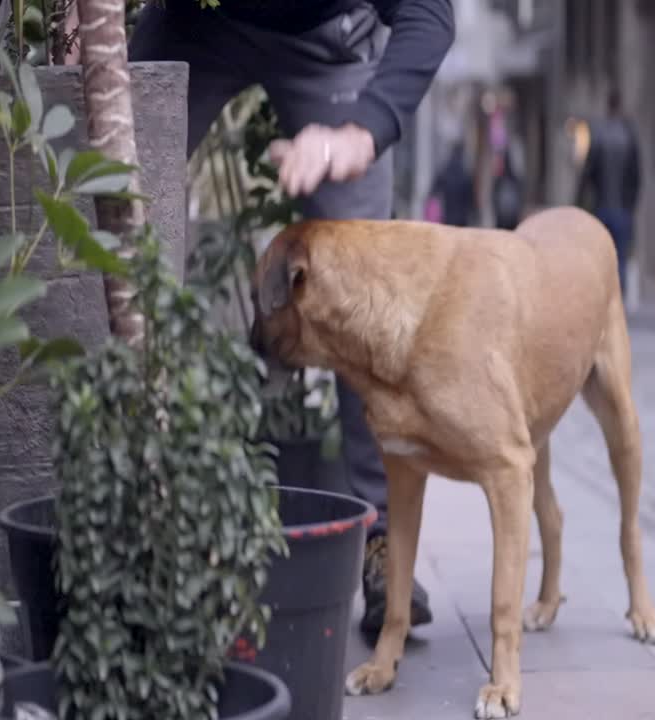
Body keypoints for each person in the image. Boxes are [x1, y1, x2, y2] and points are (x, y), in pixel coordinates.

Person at [130, 0, 454, 634]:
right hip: (194, 23)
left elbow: (430, 13)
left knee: (362, 288)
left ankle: (383, 544)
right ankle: (110, 501)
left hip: (328, 39)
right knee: (109, 195)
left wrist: (359, 133)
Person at [577, 89, 642, 296]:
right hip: (622, 208)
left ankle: (604, 296)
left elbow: (588, 173)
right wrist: (631, 204)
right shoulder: (628, 135)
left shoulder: (599, 135)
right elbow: (636, 175)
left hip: (602, 206)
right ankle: (618, 297)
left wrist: (580, 202)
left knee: (602, 257)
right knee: (620, 257)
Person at [427, 140, 476, 227]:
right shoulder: (465, 174)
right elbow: (471, 199)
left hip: (447, 216)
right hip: (462, 219)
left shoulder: (445, 171)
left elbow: (434, 191)